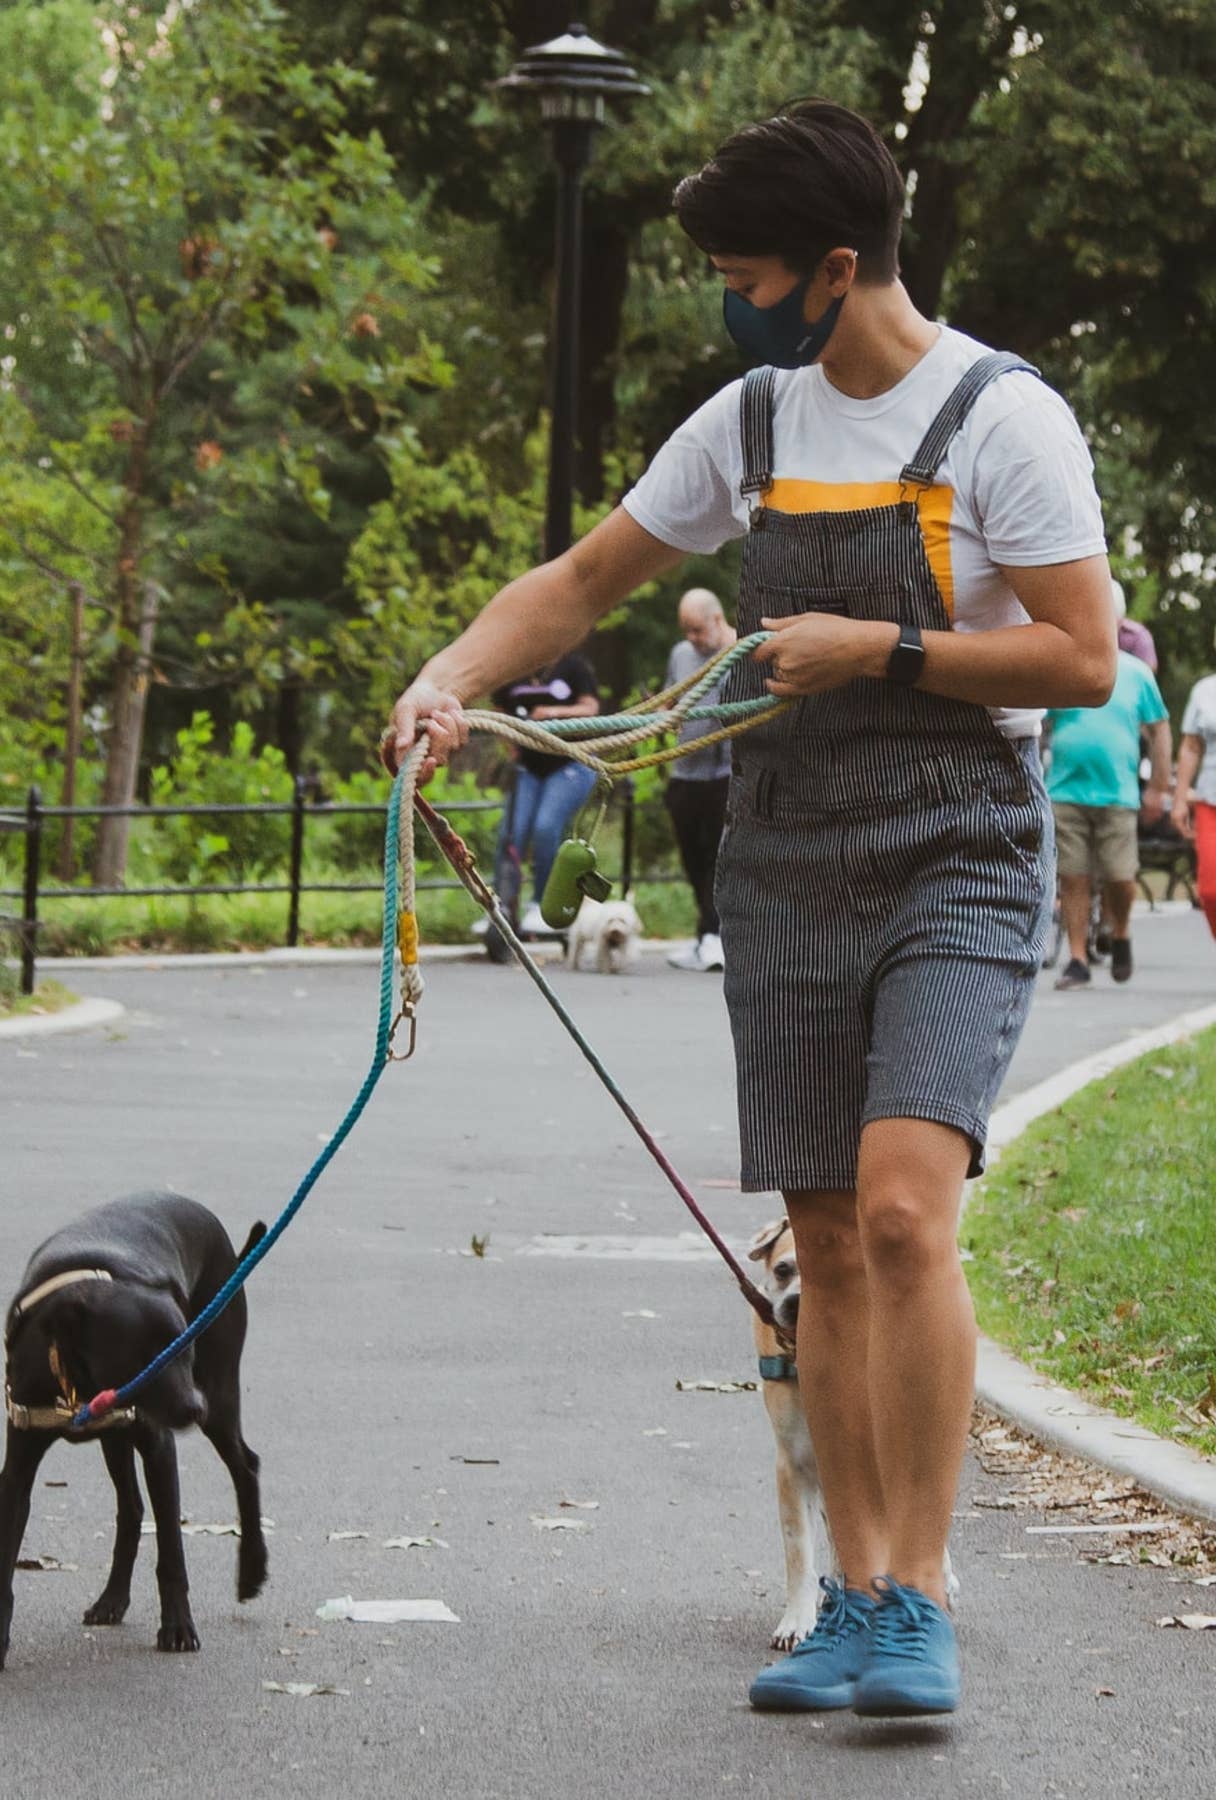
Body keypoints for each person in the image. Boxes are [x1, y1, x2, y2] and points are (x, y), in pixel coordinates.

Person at [383, 101, 1114, 1718]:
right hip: (784, 858)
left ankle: (920, 1593)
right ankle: (852, 1594)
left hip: (956, 847)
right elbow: (582, 581)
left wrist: (883, 652)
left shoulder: (1004, 419)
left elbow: (1079, 652)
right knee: (831, 1243)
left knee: (911, 1209)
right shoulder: (754, 419)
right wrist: (448, 683)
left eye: (740, 270)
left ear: (835, 268)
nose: (725, 295)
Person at [1044, 587, 1171, 989]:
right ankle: (1078, 959)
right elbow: (1037, 723)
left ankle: (1120, 933)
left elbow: (1160, 730)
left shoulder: (1135, 671)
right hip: (1065, 789)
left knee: (1121, 876)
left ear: (1116, 624)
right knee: (1073, 876)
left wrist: (1157, 788)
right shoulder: (1063, 666)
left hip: (1118, 791)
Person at [484, 650, 602, 942]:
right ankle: (501, 906)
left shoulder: (573, 665)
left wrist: (551, 714)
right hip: (529, 767)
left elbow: (590, 708)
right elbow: (498, 710)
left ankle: (542, 903)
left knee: (545, 827)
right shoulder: (514, 668)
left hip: (570, 763)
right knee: (512, 833)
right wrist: (510, 743)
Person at [662, 588, 736, 972]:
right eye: (686, 630)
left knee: (719, 857)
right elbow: (670, 698)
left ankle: (715, 934)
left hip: (724, 771)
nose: (691, 638)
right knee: (692, 855)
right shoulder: (680, 654)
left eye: (697, 630)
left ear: (717, 621)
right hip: (684, 771)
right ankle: (704, 932)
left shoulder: (739, 652)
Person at [1176, 665, 1216, 938]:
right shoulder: (1204, 690)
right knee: (1210, 891)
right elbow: (1191, 746)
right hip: (1210, 800)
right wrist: (1180, 798)